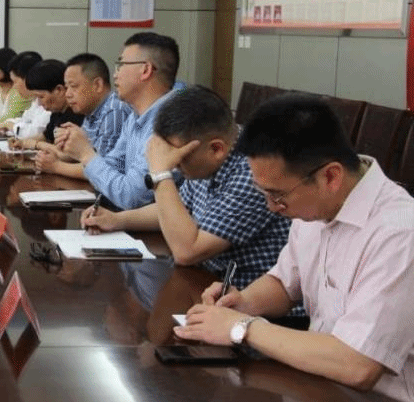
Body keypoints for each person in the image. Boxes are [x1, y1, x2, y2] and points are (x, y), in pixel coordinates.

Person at [175, 94, 414, 402]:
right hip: (326, 401)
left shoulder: (399, 234)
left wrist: (242, 328)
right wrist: (243, 301)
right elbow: (285, 282)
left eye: (278, 196)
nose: (272, 208)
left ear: (330, 176)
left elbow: (357, 365)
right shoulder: (315, 207)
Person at [82, 86, 293, 296]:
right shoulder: (204, 155)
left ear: (216, 149)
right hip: (207, 285)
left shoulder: (253, 173)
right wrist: (117, 220)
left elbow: (187, 251)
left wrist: (160, 173)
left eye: (179, 157)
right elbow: (177, 209)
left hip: (247, 299)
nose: (175, 164)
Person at [37, 33, 179, 210]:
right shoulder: (135, 116)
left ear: (145, 70)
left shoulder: (171, 122)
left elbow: (131, 197)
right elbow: (112, 167)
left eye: (121, 65)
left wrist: (85, 153)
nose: (115, 74)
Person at [47, 53, 131, 162]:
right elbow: (79, 157)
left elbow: (102, 166)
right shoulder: (91, 111)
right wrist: (68, 143)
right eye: (67, 88)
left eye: (74, 86)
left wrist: (56, 167)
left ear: (98, 85)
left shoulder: (114, 111)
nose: (67, 94)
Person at [10, 59, 82, 149]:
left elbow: (65, 151)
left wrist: (36, 144)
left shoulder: (77, 114)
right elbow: (46, 137)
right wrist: (21, 142)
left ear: (59, 90)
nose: (39, 104)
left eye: (41, 97)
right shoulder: (57, 113)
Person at [0, 51, 50, 139]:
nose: (14, 87)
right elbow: (25, 120)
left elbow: (36, 132)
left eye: (15, 82)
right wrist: (6, 125)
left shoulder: (49, 101)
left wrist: (10, 126)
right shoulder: (36, 101)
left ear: (28, 79)